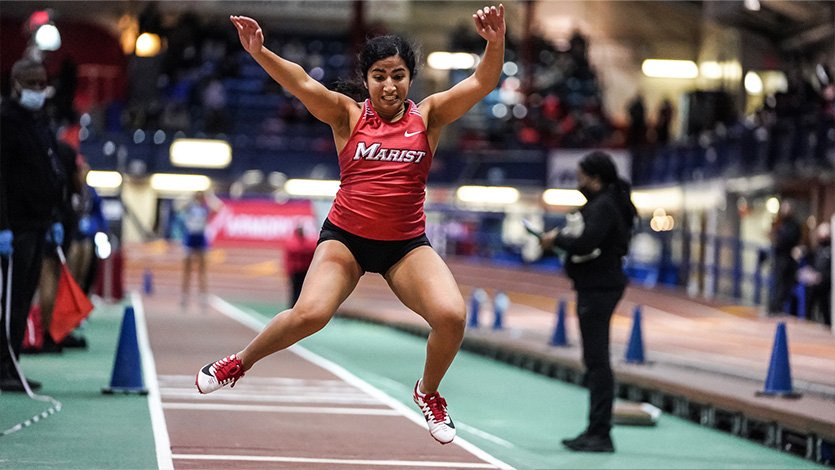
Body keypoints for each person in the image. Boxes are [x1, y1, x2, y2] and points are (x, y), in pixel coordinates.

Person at [197, 5, 505, 446]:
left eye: (398, 75)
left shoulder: (430, 116)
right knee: (311, 314)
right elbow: (301, 82)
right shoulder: (348, 116)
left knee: (453, 317)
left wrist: (494, 44)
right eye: (379, 75)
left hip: (405, 246)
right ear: (367, 81)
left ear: (409, 80)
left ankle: (428, 392)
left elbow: (482, 82)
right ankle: (239, 363)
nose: (389, 85)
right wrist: (260, 52)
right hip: (346, 240)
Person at [539, 151, 638, 453]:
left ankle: (600, 433)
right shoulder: (604, 203)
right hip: (596, 285)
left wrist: (556, 239)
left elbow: (586, 242)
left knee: (597, 361)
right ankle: (596, 429)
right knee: (595, 360)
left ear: (595, 179)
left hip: (599, 287)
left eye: (582, 177)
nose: (578, 182)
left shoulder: (604, 206)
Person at [0, 58, 67, 392]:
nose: (38, 89)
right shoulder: (6, 120)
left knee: (24, 299)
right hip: (16, 224)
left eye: (42, 83)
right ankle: (3, 367)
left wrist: (54, 218)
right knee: (9, 300)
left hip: (39, 223)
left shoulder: (40, 122)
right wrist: (3, 226)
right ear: (15, 83)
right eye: (31, 83)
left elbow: (49, 173)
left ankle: (13, 365)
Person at [180, 190, 220, 309]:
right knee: (187, 270)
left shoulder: (206, 208)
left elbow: (218, 208)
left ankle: (203, 297)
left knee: (202, 271)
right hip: (190, 239)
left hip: (201, 239)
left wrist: (209, 196)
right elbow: (178, 205)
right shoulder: (190, 207)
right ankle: (184, 296)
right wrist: (189, 196)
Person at [768, 200, 802, 315]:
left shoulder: (794, 225)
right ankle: (774, 307)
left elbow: (787, 241)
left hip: (787, 260)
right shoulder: (781, 224)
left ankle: (781, 308)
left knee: (784, 285)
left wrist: (778, 239)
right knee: (777, 283)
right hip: (779, 259)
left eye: (786, 209)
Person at [283, 224, 316, 306]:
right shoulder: (293, 242)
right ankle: (294, 306)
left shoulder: (300, 241)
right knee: (295, 290)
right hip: (296, 271)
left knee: (304, 289)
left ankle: (301, 305)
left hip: (304, 270)